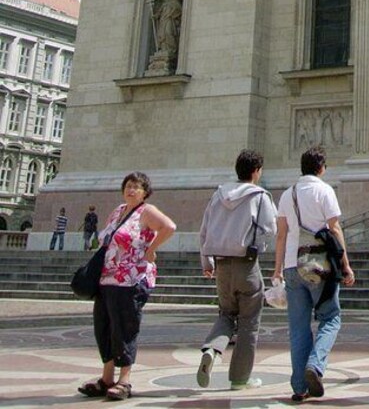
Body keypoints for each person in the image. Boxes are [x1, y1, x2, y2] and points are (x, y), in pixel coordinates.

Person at [77, 172, 176, 401]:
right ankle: (106, 378)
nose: (131, 190)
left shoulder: (147, 211)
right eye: (128, 186)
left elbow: (169, 227)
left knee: (124, 327)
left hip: (131, 279)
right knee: (104, 326)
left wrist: (151, 249)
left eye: (137, 187)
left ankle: (124, 380)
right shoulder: (117, 211)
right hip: (106, 279)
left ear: (145, 192)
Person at [273, 146, 355, 403]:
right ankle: (315, 365)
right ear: (321, 168)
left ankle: (299, 387)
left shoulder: (288, 194)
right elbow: (335, 229)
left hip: (291, 265)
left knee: (298, 328)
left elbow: (282, 234)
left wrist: (277, 270)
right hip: (319, 264)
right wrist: (346, 265)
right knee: (331, 317)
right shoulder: (324, 190)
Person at [196, 150, 278, 390]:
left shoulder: (217, 195)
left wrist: (206, 263)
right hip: (246, 265)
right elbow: (270, 227)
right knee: (249, 322)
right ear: (256, 171)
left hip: (221, 265)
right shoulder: (260, 196)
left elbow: (204, 231)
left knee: (226, 314)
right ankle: (240, 378)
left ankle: (212, 349)